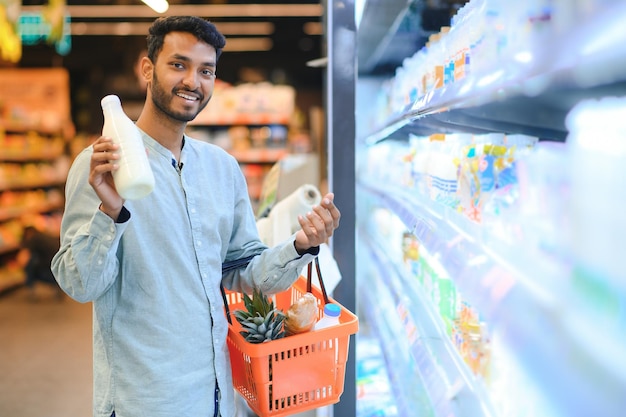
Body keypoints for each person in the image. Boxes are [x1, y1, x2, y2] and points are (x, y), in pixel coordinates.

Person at [51, 16, 340, 417]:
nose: (193, 81)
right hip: (146, 400)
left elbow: (244, 270)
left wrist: (301, 245)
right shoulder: (102, 165)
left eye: (206, 71)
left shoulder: (222, 168)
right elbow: (80, 284)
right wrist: (109, 212)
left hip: (217, 395)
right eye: (178, 64)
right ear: (147, 70)